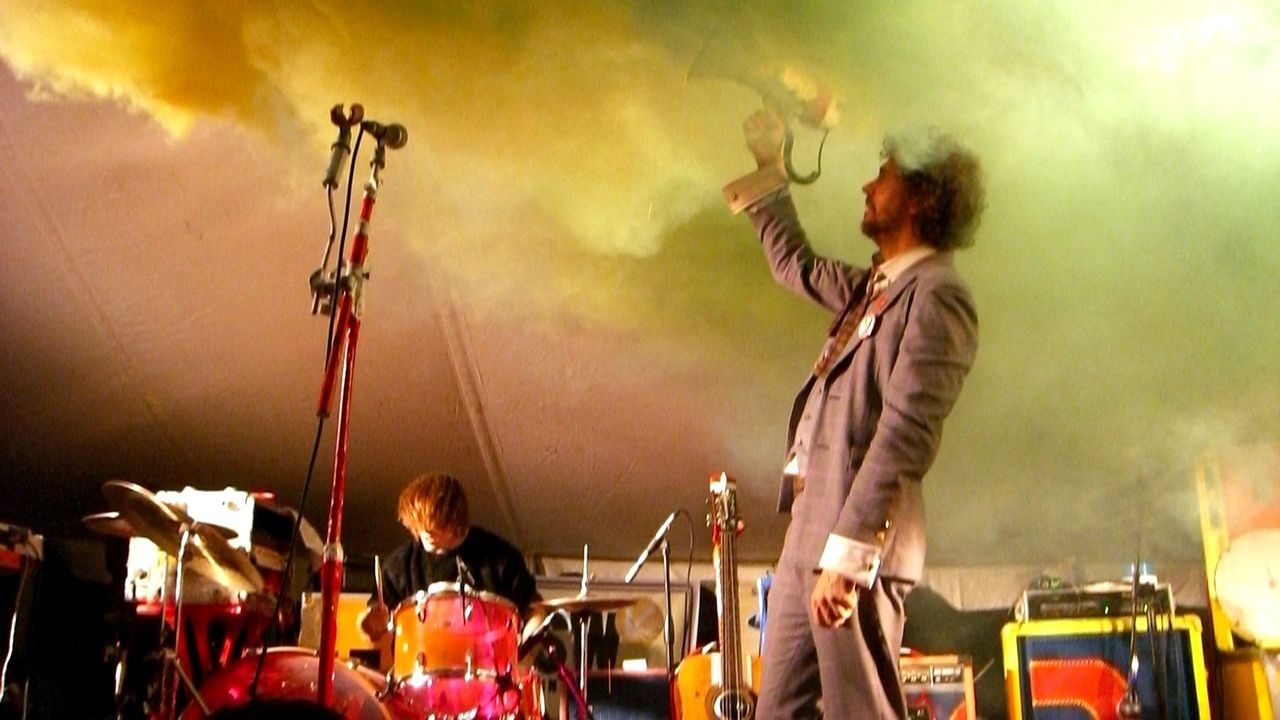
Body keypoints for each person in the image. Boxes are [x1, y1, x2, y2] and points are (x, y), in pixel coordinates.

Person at [723, 108, 985, 719]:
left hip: (857, 538)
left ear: (921, 197)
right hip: (809, 528)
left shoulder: (938, 295)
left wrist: (849, 558)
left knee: (859, 711)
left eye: (883, 175)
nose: (868, 186)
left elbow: (905, 434)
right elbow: (795, 267)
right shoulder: (879, 289)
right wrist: (768, 166)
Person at [359, 472, 542, 641]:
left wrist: (524, 650)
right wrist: (369, 624)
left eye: (436, 525)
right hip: (417, 663)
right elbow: (372, 630)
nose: (426, 532)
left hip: (490, 662)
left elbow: (535, 612)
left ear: (455, 520)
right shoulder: (398, 566)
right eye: (419, 525)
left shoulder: (502, 558)